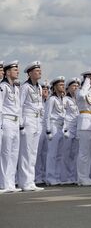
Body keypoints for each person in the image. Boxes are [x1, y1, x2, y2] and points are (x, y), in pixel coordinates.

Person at [18, 61, 45, 191]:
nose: (39, 72)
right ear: (30, 73)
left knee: (33, 153)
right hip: (28, 120)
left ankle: (30, 181)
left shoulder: (39, 87)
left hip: (37, 121)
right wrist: (21, 124)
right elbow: (20, 105)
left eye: (40, 70)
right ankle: (24, 182)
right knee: (26, 153)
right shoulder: (25, 87)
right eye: (36, 71)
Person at [0, 61, 22, 192]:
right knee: (6, 153)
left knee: (14, 153)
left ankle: (10, 183)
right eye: (15, 70)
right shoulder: (3, 86)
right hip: (6, 120)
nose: (17, 72)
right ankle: (3, 183)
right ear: (8, 72)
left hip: (15, 122)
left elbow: (18, 108)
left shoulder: (16, 88)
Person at [76, 71, 91, 186]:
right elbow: (81, 96)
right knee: (83, 153)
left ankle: (86, 176)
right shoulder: (81, 91)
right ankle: (81, 177)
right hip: (84, 125)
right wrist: (86, 82)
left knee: (90, 153)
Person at [44, 76, 66, 186]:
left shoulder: (62, 99)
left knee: (59, 154)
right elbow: (47, 115)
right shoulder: (52, 99)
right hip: (53, 126)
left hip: (61, 127)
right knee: (52, 154)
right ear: (55, 87)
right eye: (60, 85)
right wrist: (48, 130)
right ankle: (50, 177)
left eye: (63, 84)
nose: (63, 86)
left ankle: (57, 176)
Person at [60, 77, 80, 185]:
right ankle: (64, 177)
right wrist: (65, 129)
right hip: (68, 128)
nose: (76, 88)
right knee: (65, 154)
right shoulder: (65, 99)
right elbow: (62, 114)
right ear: (68, 88)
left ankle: (72, 176)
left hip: (76, 128)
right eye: (73, 86)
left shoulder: (78, 99)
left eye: (77, 86)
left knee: (74, 154)